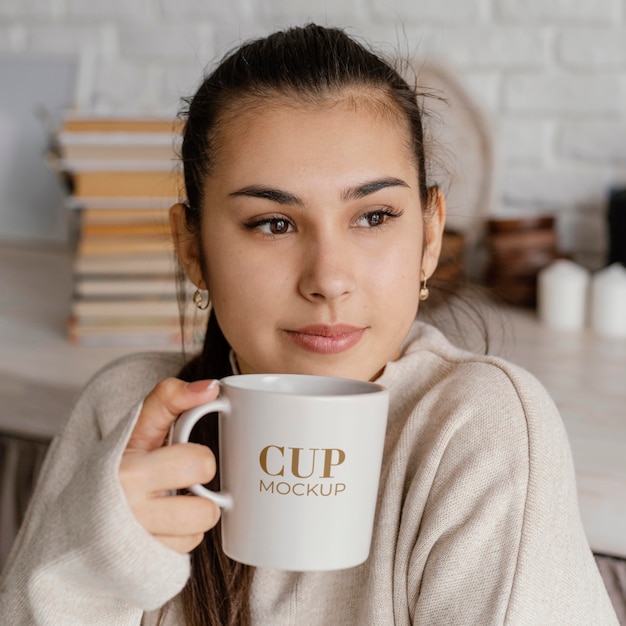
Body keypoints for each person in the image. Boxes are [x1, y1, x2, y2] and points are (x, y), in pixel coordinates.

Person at [0, 24, 618, 626]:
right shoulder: (121, 413)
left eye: (374, 216)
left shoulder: (479, 429)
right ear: (192, 248)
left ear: (429, 235)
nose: (328, 277)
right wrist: (88, 568)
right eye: (273, 223)